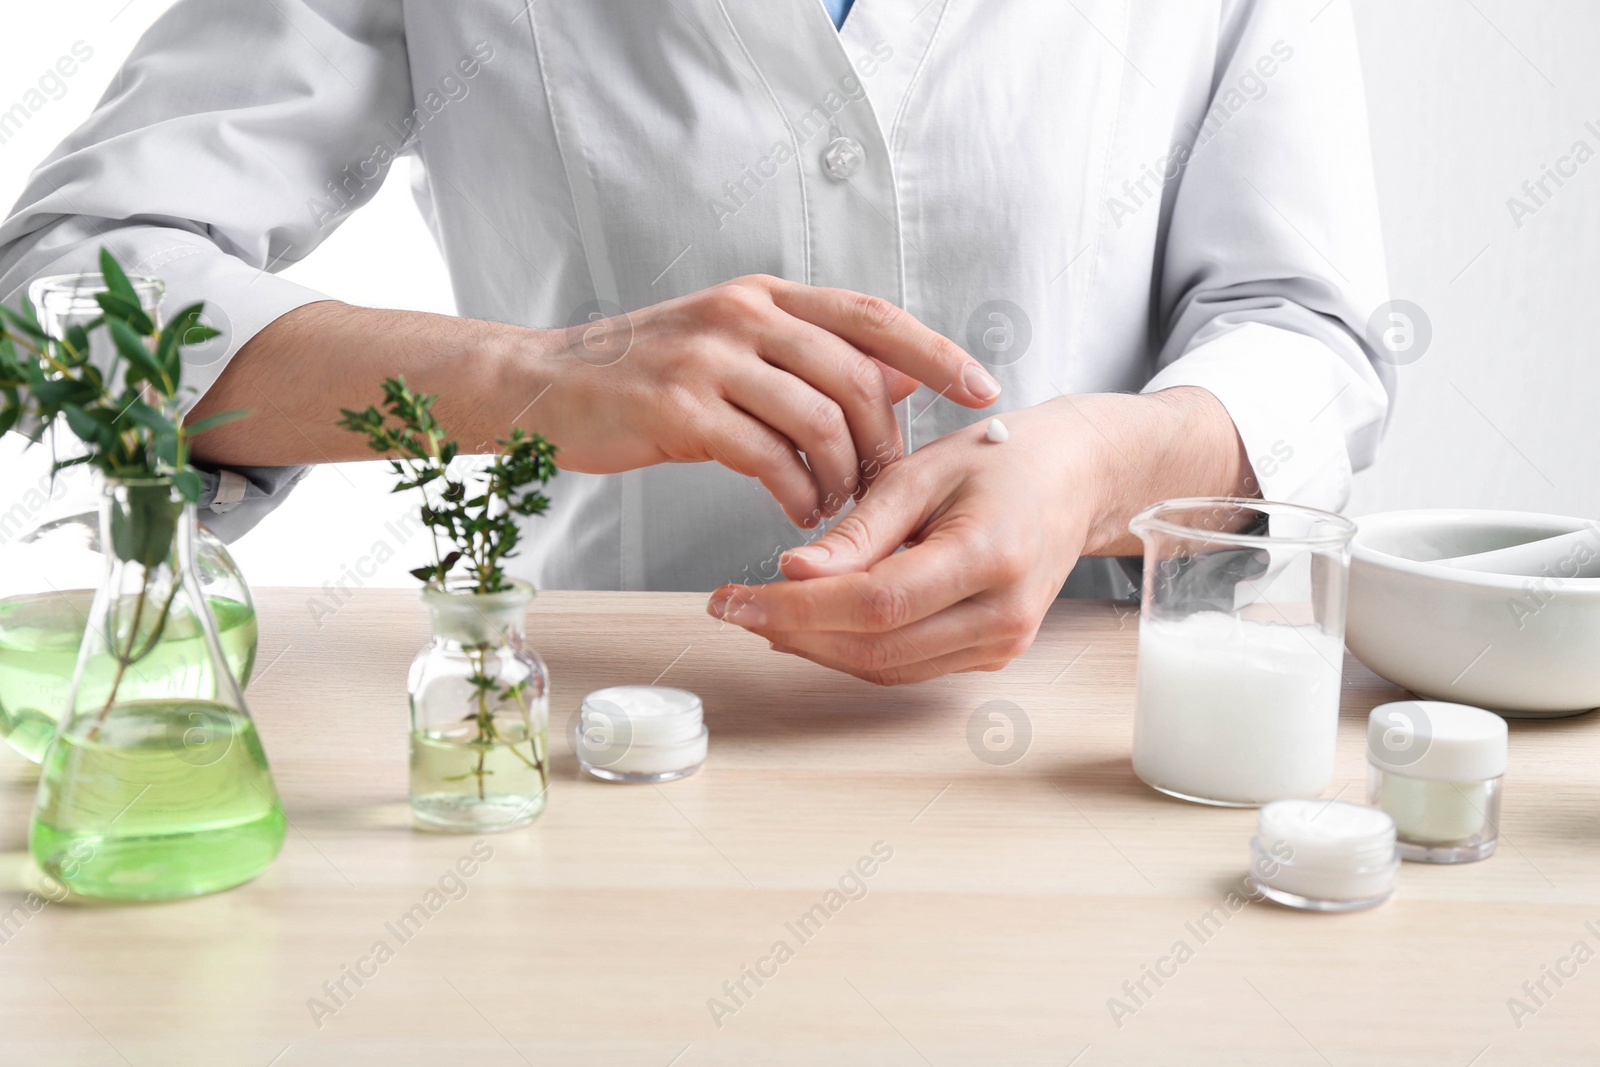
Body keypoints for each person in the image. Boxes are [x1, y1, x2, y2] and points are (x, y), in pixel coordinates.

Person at [0, 0, 1390, 685]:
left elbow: (1308, 332)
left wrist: (1093, 469)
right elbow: (55, 300)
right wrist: (533, 379)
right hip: (594, 738)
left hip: (1085, 750)